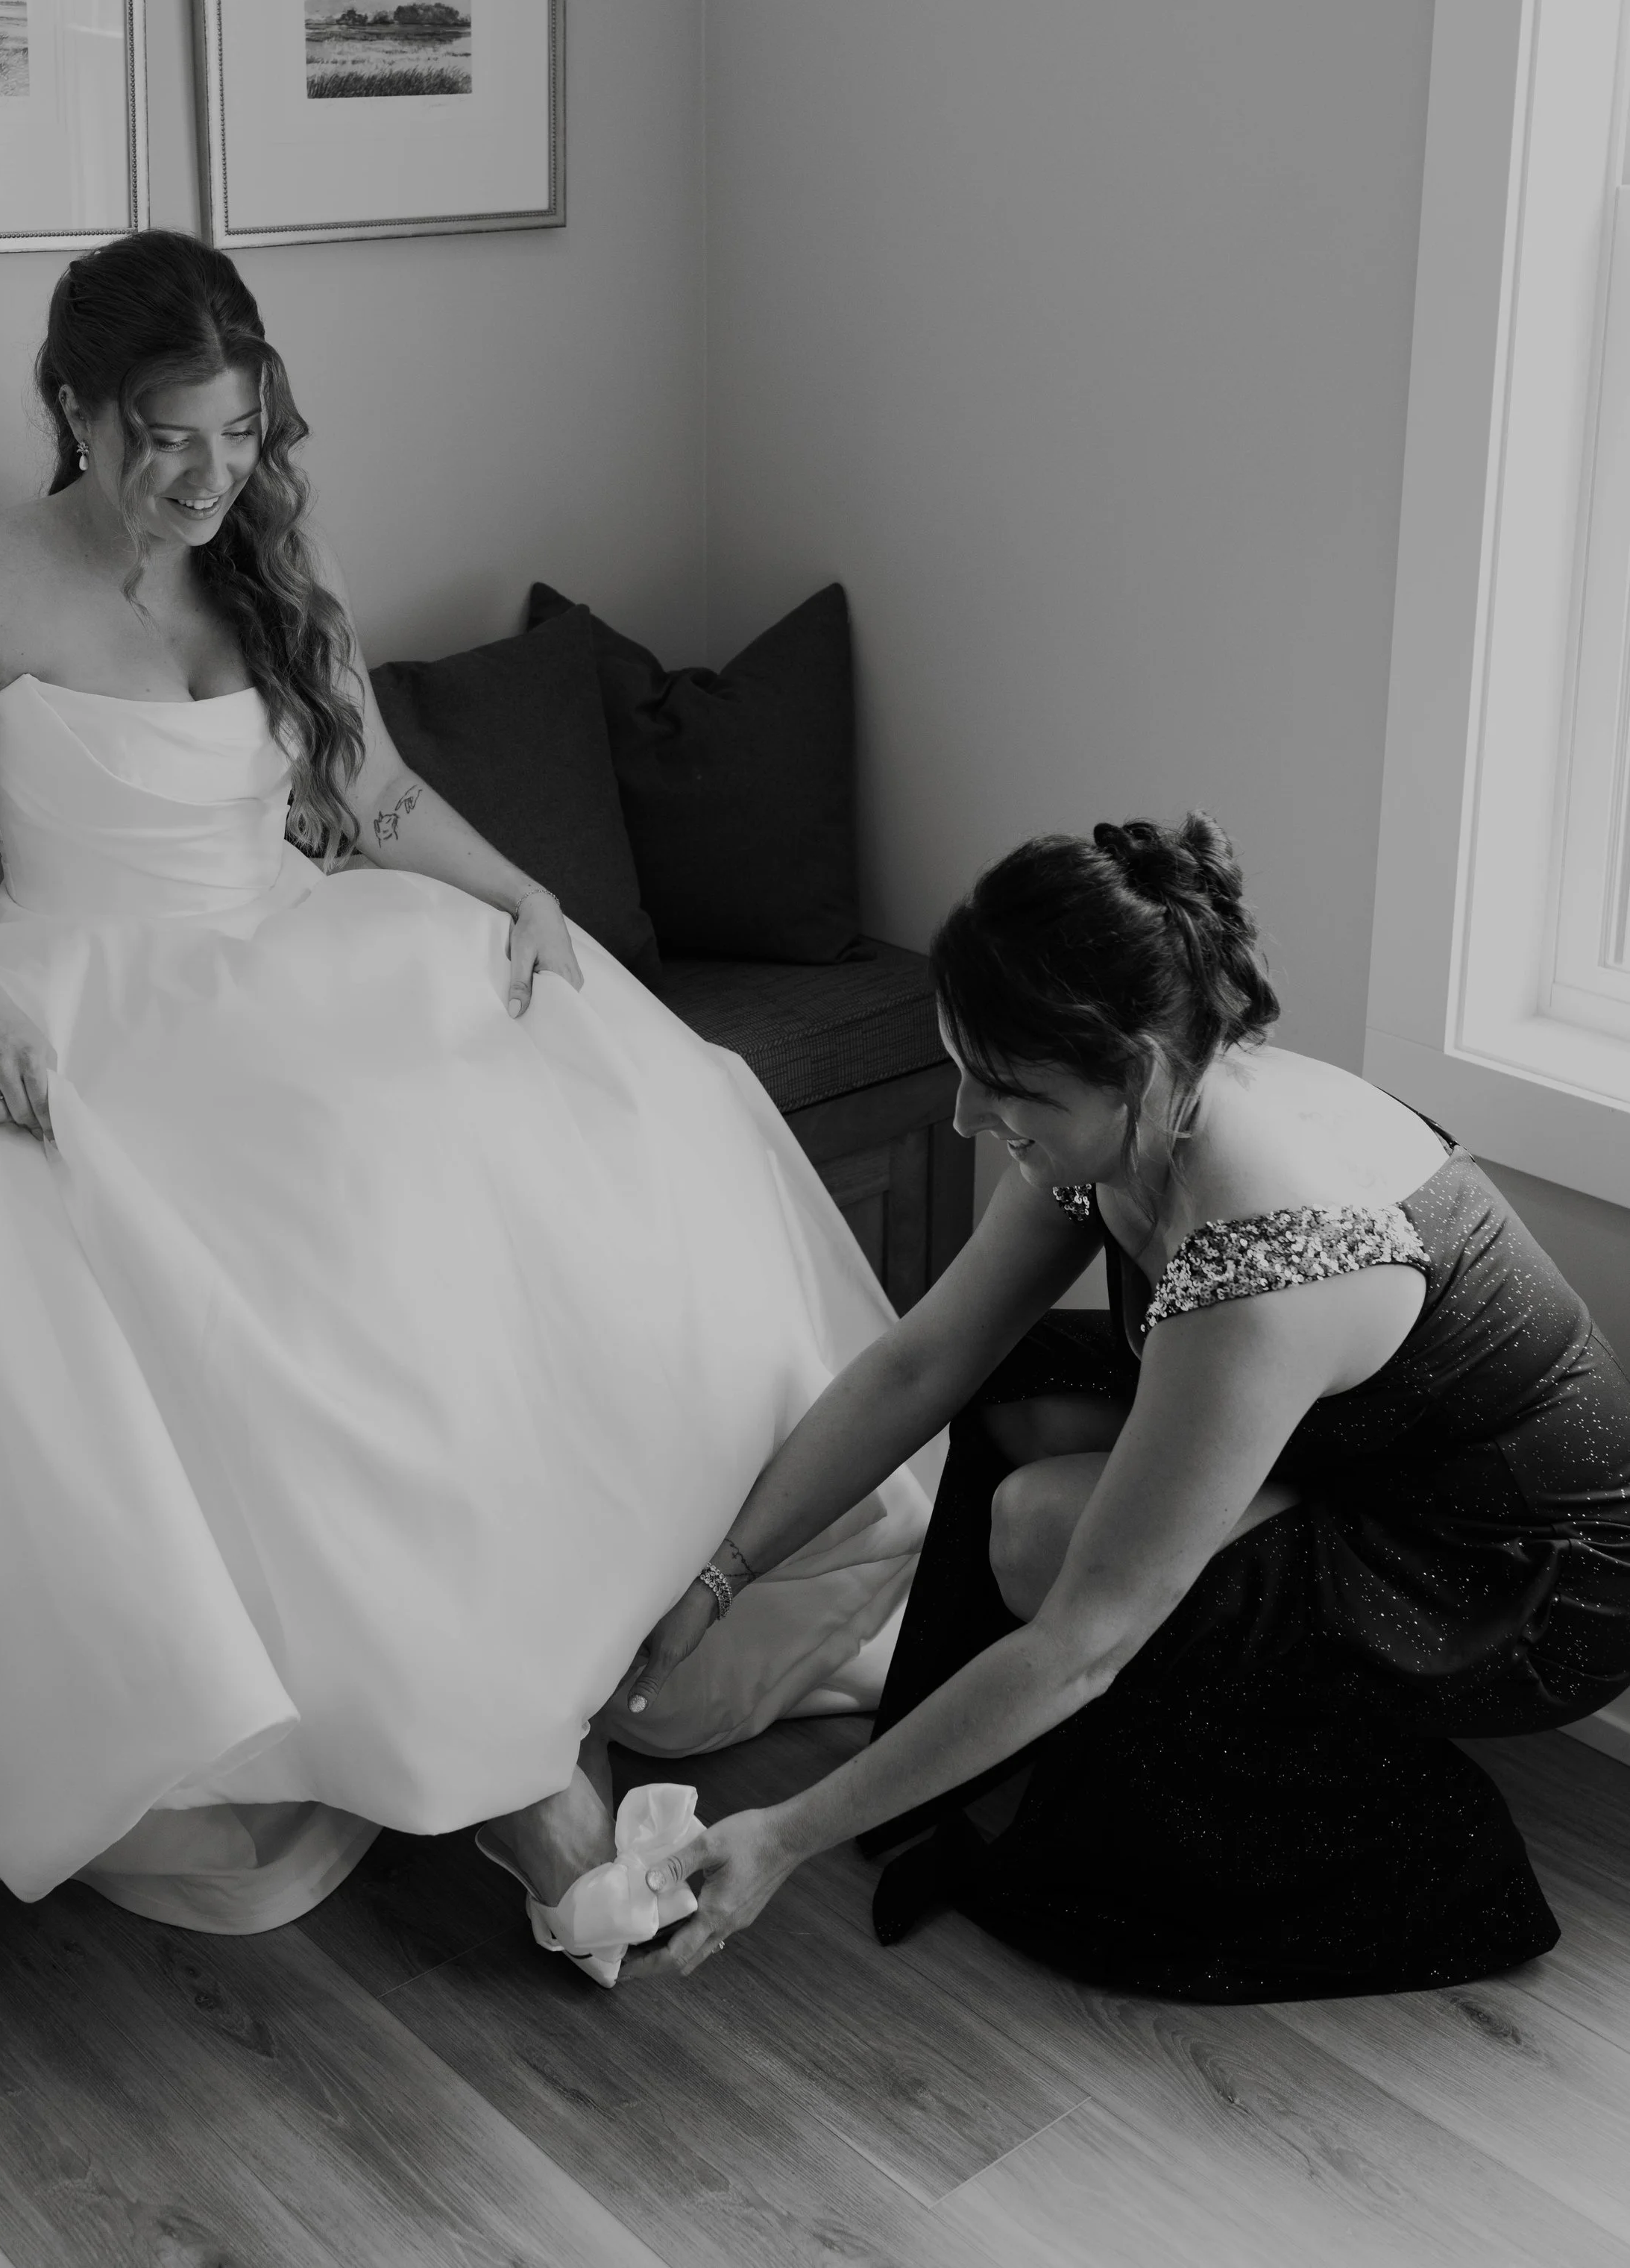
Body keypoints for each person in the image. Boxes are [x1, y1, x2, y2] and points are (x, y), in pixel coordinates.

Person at [0, 228, 925, 1977]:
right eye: (166, 435)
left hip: (301, 955)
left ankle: (573, 1677)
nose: (206, 474)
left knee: (554, 1152)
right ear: (73, 411)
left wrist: (519, 891)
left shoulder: (264, 562)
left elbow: (367, 800)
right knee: (296, 1274)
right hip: (91, 986)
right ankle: (516, 1783)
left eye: (238, 436)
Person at [620, 816, 1630, 2001]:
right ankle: (1015, 1727)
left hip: (1524, 1575)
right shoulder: (1132, 1106)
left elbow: (1081, 1645)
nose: (964, 1121)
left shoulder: (1261, 1253)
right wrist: (716, 1581)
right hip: (1375, 1447)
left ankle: (1358, 1803)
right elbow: (922, 1362)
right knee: (1019, 1392)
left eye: (1005, 1091)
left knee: (1043, 1536)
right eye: (963, 1066)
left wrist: (786, 1836)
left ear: (1137, 1075)